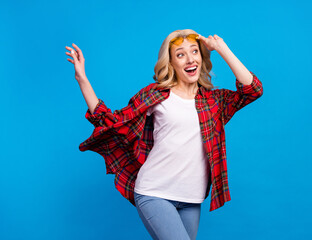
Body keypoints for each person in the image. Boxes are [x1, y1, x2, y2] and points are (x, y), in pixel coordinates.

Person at [65, 29, 263, 240]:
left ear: (202, 57)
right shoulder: (156, 95)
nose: (189, 59)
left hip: (192, 199)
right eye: (180, 54)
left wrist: (221, 49)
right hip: (154, 192)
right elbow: (112, 122)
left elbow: (253, 90)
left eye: (194, 51)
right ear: (171, 63)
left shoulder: (214, 102)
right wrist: (82, 78)